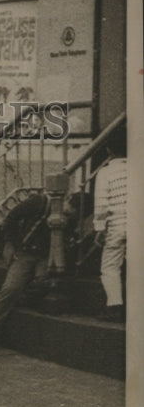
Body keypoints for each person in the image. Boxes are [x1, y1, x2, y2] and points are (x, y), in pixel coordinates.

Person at [0, 190, 57, 355]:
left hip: (46, 257)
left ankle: (15, 299)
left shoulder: (71, 214)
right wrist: (10, 243)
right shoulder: (40, 201)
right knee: (11, 288)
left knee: (43, 284)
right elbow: (11, 217)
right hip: (26, 253)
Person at [92, 134, 127, 323]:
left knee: (110, 267)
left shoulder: (105, 173)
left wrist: (100, 229)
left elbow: (102, 206)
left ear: (108, 150)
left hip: (116, 227)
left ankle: (114, 307)